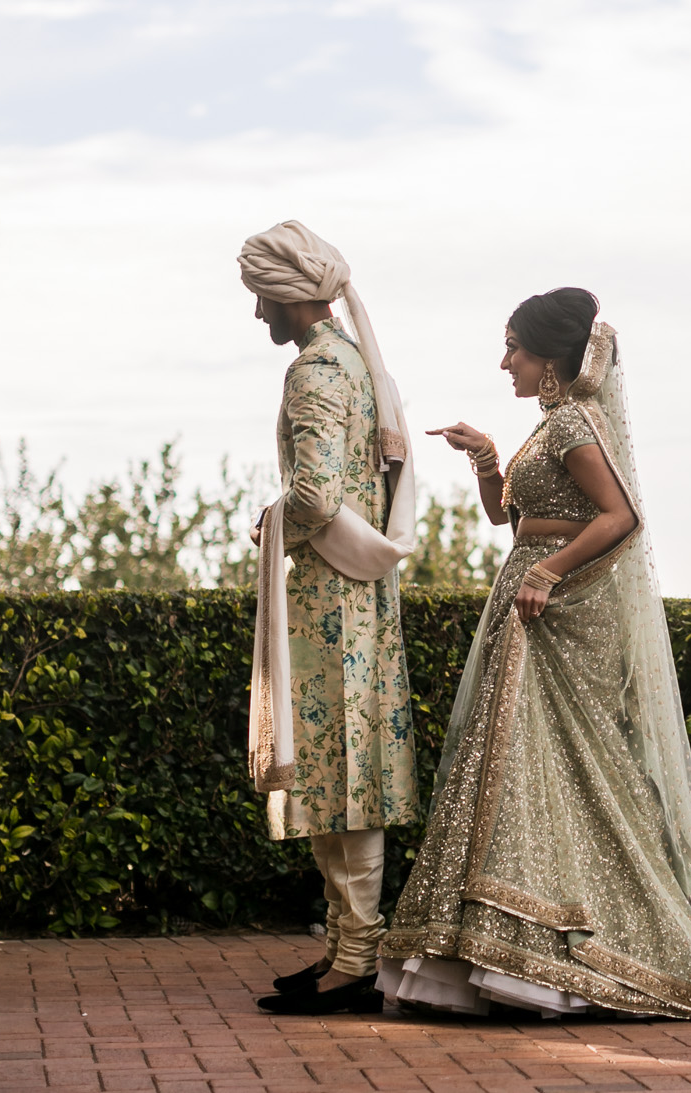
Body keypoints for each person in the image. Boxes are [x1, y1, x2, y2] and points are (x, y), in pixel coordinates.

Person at [377, 288, 691, 1021]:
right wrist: (486, 461)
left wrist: (545, 572)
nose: (503, 360)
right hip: (528, 608)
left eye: (513, 346)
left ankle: (552, 959)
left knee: (542, 771)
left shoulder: (572, 419)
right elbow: (519, 519)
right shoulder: (549, 423)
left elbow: (621, 515)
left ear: (547, 356)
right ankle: (485, 957)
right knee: (513, 770)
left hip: (556, 615)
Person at [237, 220, 420, 1016]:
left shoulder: (314, 371)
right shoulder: (358, 363)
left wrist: (271, 518)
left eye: (261, 300)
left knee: (337, 769)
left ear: (289, 296)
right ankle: (349, 948)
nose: (257, 317)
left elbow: (315, 495)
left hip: (326, 599)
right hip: (361, 594)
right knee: (352, 766)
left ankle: (357, 959)